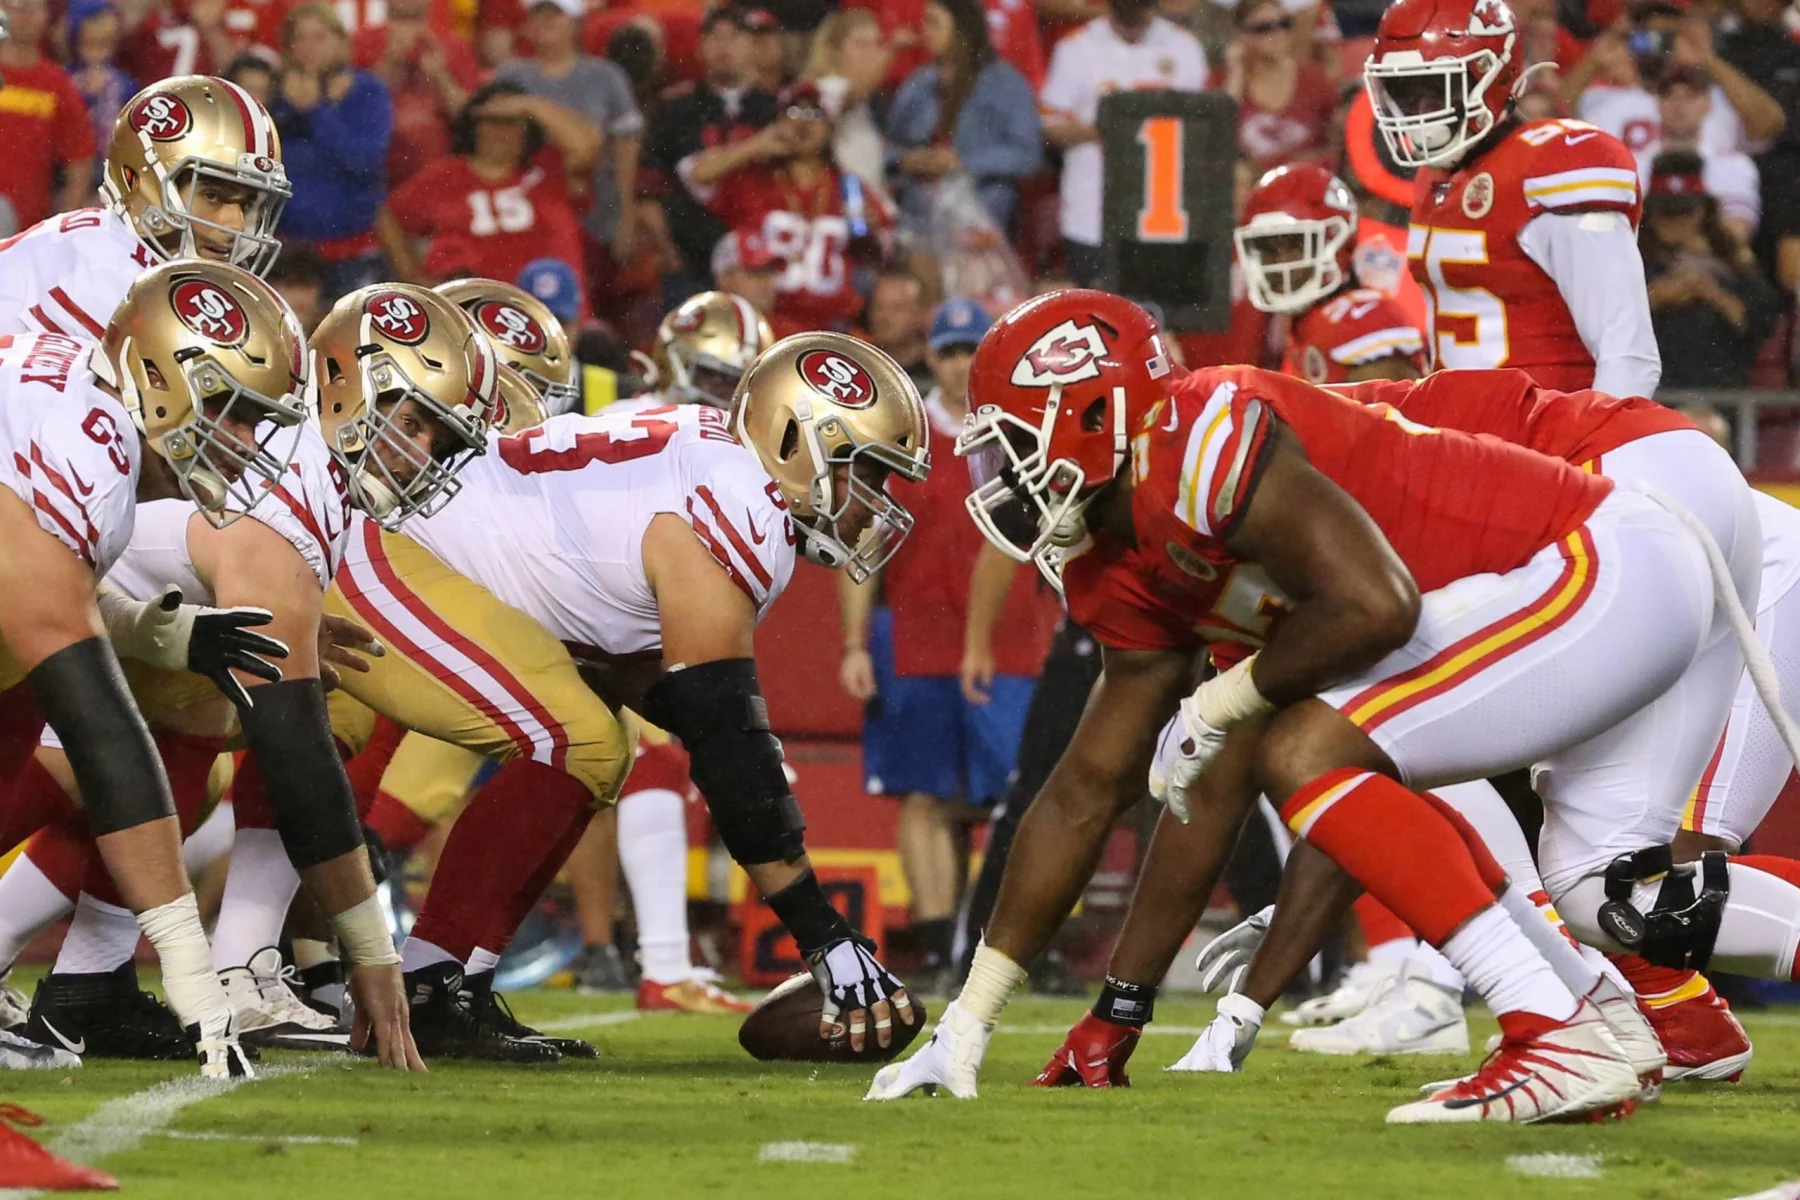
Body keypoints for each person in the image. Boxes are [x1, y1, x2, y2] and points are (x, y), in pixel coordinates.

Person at [867, 290, 1753, 1124]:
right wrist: (977, 1022)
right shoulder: (1124, 553)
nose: (1006, 476)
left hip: (1604, 562)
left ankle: (1547, 1029)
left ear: (1097, 413)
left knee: (1306, 748)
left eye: (1015, 440)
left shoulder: (1205, 436)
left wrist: (1221, 698)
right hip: (1590, 586)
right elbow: (1084, 793)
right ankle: (1592, 1018)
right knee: (1536, 852)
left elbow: (1376, 609)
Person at [319, 329, 929, 1059]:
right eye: (869, 472)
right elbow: (724, 742)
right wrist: (827, 939)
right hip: (391, 556)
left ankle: (457, 983)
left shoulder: (718, 467)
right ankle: (418, 984)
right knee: (574, 740)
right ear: (799, 442)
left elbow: (642, 678)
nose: (877, 501)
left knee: (604, 746)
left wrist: (735, 752)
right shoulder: (742, 506)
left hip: (437, 564)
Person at [0, 264, 424, 1069]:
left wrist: (172, 636)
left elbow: (51, 591)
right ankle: (213, 967)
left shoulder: (95, 422)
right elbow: (107, 737)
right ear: (157, 378)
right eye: (229, 412)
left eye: (258, 417)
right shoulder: (85, 458)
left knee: (182, 718)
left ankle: (83, 981)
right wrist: (195, 976)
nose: (243, 443)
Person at [839, 297, 1053, 987]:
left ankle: (1010, 944)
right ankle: (937, 943)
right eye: (950, 349)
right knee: (923, 795)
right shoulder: (900, 433)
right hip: (916, 636)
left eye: (972, 349)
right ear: (930, 356)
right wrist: (852, 644)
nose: (961, 363)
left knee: (1020, 796)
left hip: (1014, 638)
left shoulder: (1027, 431)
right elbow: (862, 544)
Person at [1366, 0, 1660, 399]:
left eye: (1434, 90)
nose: (1417, 113)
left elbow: (1627, 354)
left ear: (1489, 75)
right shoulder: (1434, 177)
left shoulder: (1557, 164)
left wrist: (1586, 453)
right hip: (1458, 439)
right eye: (1404, 92)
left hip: (1542, 439)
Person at [0, 76, 288, 343]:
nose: (235, 224)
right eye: (212, 196)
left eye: (248, 204)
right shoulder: (103, 269)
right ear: (135, 179)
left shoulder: (113, 243)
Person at [684, 81, 891, 334]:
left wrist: (873, 231)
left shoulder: (849, 187)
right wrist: (756, 145)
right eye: (794, 112)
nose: (803, 123)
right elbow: (696, 175)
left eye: (815, 114)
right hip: (765, 323)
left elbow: (885, 249)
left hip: (834, 328)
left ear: (830, 126)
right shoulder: (752, 177)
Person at [381, 81, 596, 304]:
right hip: (474, 317)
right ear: (474, 126)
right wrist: (412, 275)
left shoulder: (548, 170)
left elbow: (586, 147)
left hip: (552, 314)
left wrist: (529, 105)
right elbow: (388, 215)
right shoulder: (445, 176)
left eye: (512, 122)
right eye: (492, 121)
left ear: (528, 130)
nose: (502, 132)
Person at [1039, 0, 1206, 286]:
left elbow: (1205, 126)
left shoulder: (1183, 46)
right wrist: (1108, 129)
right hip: (1093, 210)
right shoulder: (1077, 46)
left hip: (1165, 212)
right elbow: (1049, 127)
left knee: (1162, 317)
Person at [496, 0, 644, 311]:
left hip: (596, 216)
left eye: (555, 15)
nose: (545, 23)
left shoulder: (605, 76)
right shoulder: (510, 76)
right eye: (538, 15)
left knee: (596, 310)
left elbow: (626, 148)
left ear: (576, 23)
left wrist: (627, 218)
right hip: (528, 221)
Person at [1233, 163, 1425, 383]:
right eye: (1267, 248)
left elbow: (1393, 414)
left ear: (1336, 239)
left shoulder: (1363, 322)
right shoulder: (1306, 322)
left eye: (1294, 245)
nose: (1280, 262)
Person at [639, 6, 779, 296]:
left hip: (760, 261)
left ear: (753, 47)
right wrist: (668, 252)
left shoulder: (774, 108)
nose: (724, 47)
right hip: (690, 258)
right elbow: (648, 190)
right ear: (700, 47)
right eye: (715, 37)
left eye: (734, 37)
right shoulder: (675, 108)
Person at [885, 0, 1042, 233]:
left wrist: (963, 162)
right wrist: (906, 160)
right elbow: (890, 147)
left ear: (961, 28)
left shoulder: (1006, 83)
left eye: (933, 22)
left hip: (979, 219)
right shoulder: (918, 83)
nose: (924, 30)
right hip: (918, 219)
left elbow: (1028, 154)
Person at [271, 4, 393, 300]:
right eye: (300, 38)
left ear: (341, 42)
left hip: (352, 252)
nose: (309, 47)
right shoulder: (273, 94)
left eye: (320, 37)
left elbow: (364, 162)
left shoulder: (366, 90)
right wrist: (289, 109)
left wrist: (318, 111)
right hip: (286, 255)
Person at [1640, 151, 1776, 390]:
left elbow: (1760, 324)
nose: (1675, 222)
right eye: (1666, 213)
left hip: (1723, 394)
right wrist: (1654, 297)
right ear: (1649, 214)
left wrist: (1713, 294)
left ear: (1703, 211)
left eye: (1684, 211)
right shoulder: (1634, 260)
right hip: (1653, 392)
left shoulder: (1733, 263)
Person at [352, 0, 481, 187]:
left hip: (439, 176)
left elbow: (471, 119)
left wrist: (441, 77)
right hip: (371, 173)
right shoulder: (361, 42)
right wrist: (389, 62)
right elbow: (351, 112)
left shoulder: (454, 45)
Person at [0, 0, 99, 234]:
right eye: (16, 5)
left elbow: (80, 163)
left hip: (25, 233)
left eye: (34, 6)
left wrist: (56, 231)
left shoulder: (57, 85)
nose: (25, 15)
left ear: (47, 15)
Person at [1635, 66, 1762, 246]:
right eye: (1669, 95)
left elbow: (1737, 234)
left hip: (1710, 264)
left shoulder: (1735, 165)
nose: (1679, 105)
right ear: (1658, 104)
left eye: (1690, 96)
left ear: (1707, 105)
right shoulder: (1632, 164)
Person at [1216, 0, 1336, 171]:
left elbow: (1335, 142)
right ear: (1240, 34)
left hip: (1302, 184)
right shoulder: (1222, 79)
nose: (1278, 33)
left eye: (1284, 24)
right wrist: (1236, 75)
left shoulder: (1315, 79)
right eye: (1264, 28)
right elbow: (1218, 136)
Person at [802, 9, 891, 201]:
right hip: (842, 204)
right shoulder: (825, 88)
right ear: (834, 51)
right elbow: (855, 93)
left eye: (876, 44)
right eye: (860, 44)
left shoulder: (867, 102)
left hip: (871, 204)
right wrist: (891, 52)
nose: (872, 53)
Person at [66, 0, 136, 190]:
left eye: (105, 44)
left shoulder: (123, 84)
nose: (98, 51)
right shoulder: (65, 81)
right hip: (69, 168)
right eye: (90, 45)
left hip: (110, 172)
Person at [860, 270, 933, 392]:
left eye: (896, 308)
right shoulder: (860, 365)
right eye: (878, 307)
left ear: (919, 313)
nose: (883, 318)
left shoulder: (937, 368)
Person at [711, 230, 782, 323]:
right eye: (755, 274)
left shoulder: (790, 332)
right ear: (726, 279)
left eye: (769, 273)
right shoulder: (699, 327)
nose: (766, 284)